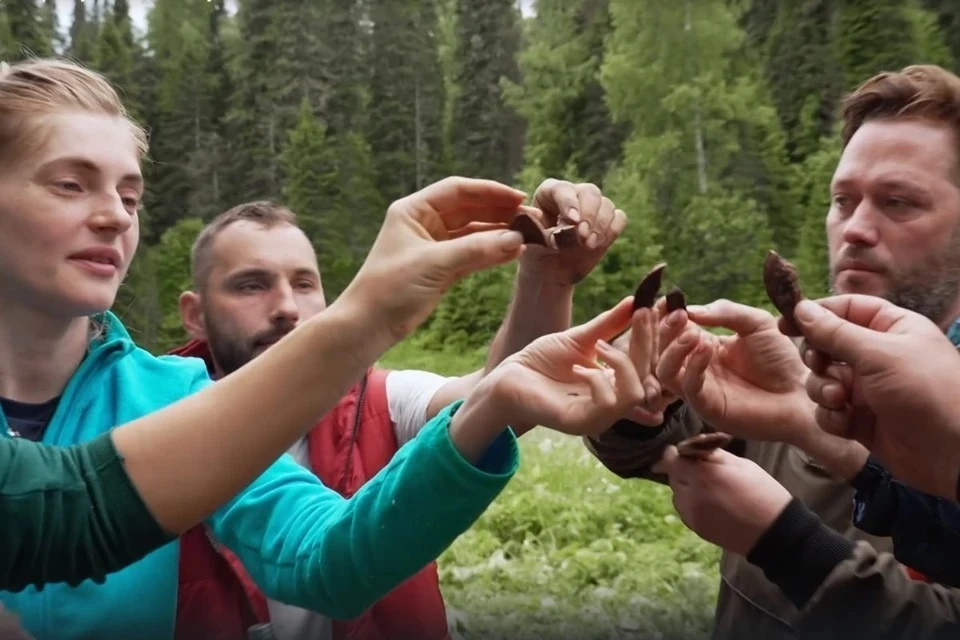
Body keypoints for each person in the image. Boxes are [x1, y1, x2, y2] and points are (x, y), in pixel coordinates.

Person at [0, 56, 653, 640]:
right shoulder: (193, 396)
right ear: (193, 310)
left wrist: (501, 386)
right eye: (70, 184)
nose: (116, 213)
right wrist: (367, 318)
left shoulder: (174, 400)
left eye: (131, 194)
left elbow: (326, 557)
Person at [586, 63, 960, 638]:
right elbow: (646, 453)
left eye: (898, 202)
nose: (856, 228)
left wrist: (787, 543)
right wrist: (643, 407)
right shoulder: (790, 361)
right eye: (843, 200)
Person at [169, 183, 626, 640]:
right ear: (196, 314)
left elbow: (501, 395)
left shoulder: (378, 402)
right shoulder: (151, 432)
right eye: (252, 285)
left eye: (304, 283)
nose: (287, 307)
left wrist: (547, 278)